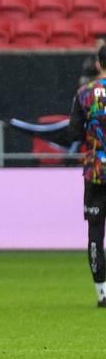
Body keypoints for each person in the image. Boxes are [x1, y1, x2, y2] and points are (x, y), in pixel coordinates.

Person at [69, 45, 106, 309]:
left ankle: (102, 293)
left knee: (95, 233)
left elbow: (74, 134)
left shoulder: (84, 93)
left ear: (97, 64)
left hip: (95, 171)